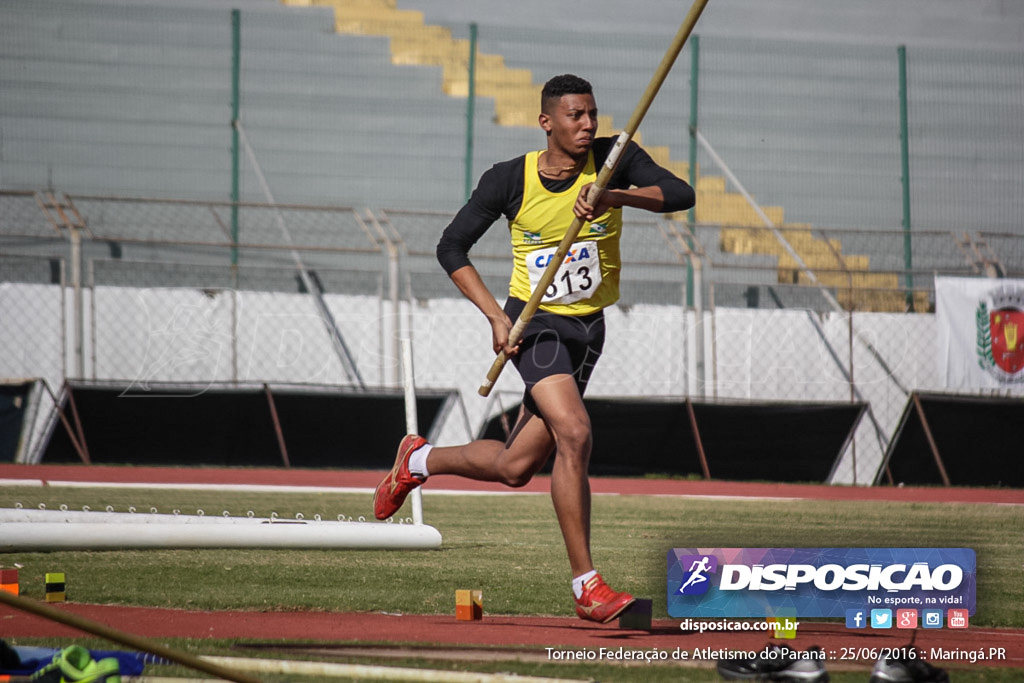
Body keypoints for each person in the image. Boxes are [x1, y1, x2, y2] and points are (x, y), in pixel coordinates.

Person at [374, 74, 695, 624]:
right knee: (575, 431)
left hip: (589, 330)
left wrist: (613, 195)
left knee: (515, 466)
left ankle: (418, 459)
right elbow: (451, 247)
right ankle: (587, 585)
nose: (588, 124)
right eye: (576, 116)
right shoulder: (507, 179)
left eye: (592, 113)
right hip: (536, 324)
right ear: (547, 121)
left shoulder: (613, 158)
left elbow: (682, 195)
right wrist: (498, 318)